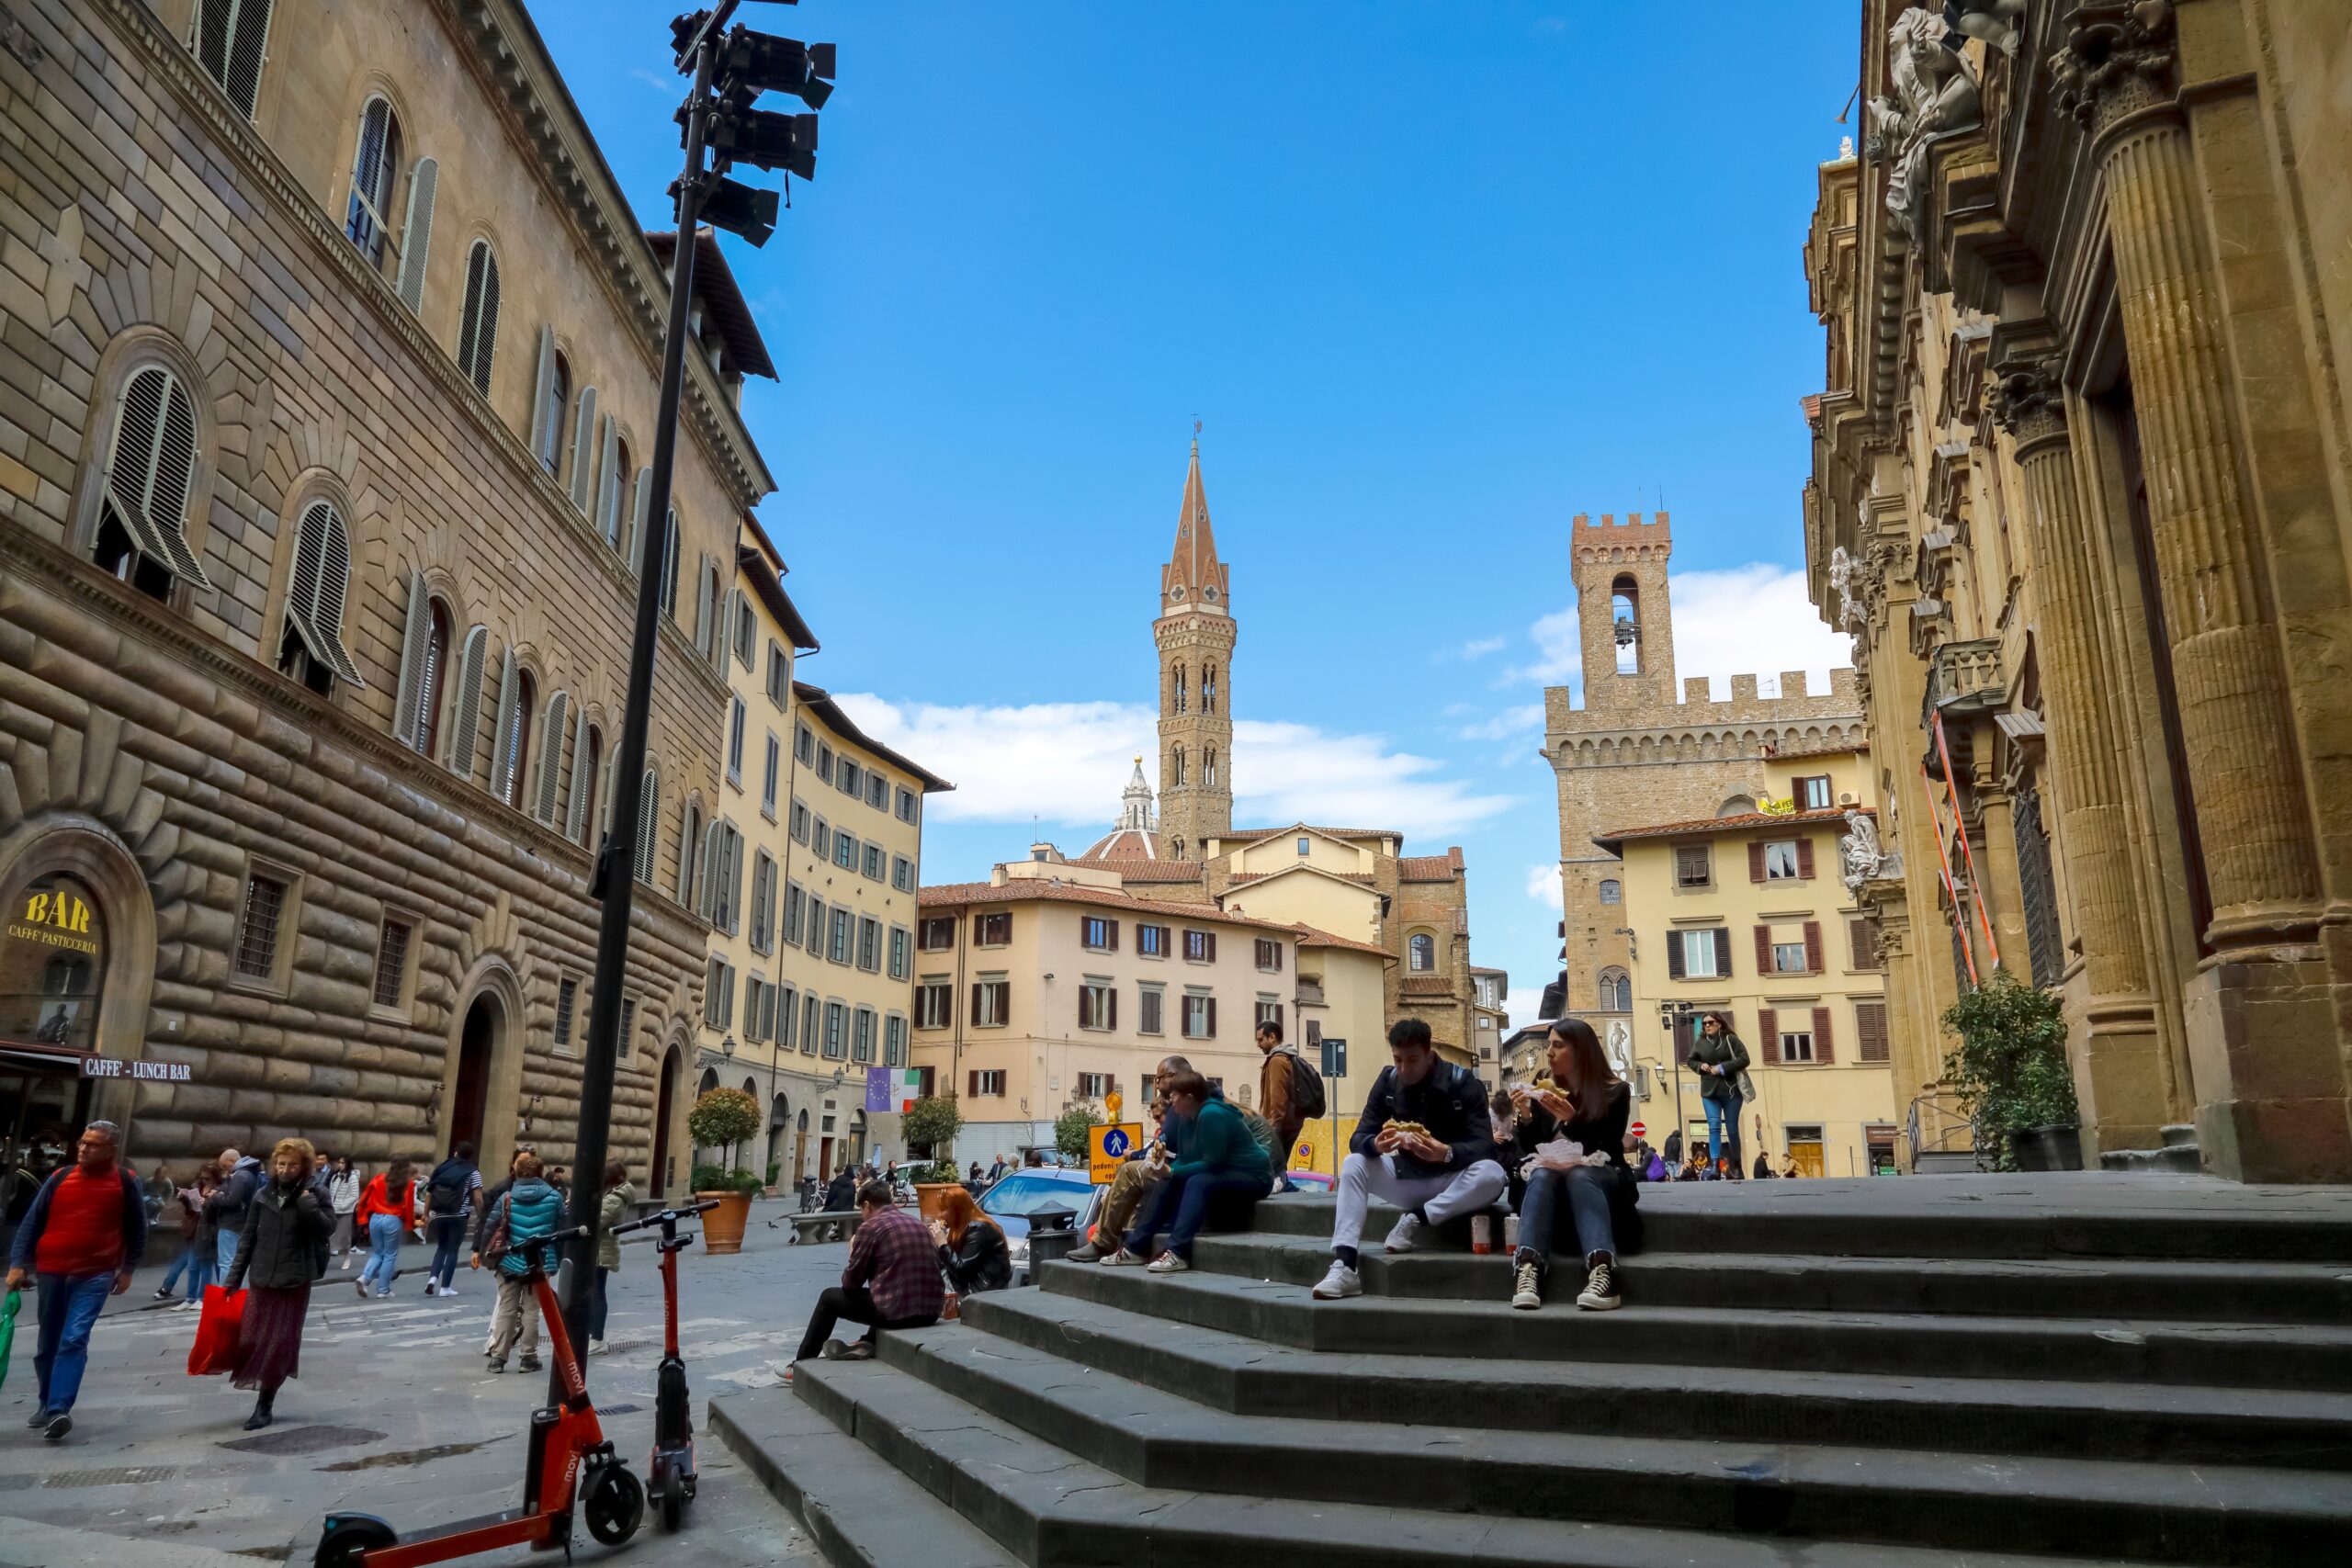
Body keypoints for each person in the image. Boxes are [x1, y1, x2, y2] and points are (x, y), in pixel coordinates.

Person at [1312, 1021, 1506, 1301]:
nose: (1404, 1069)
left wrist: (1447, 1152)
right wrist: (1374, 1144)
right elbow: (1359, 1136)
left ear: (1430, 1054)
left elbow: (1485, 1146)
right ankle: (1344, 1264)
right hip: (1408, 1178)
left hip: (1455, 1180)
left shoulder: (1463, 1083)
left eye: (1412, 1059)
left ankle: (1416, 1218)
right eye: (1397, 1060)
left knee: (1493, 1174)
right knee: (1354, 1162)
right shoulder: (1388, 1081)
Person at [5, 1121, 145, 1441]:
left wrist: (128, 1269)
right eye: (82, 1142)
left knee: (74, 1338)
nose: (83, 1148)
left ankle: (58, 1409)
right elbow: (31, 1223)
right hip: (51, 1270)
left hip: (95, 1274)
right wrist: (17, 1264)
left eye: (93, 1144)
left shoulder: (125, 1181)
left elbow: (138, 1228)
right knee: (47, 1343)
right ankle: (45, 1401)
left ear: (111, 1149)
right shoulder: (60, 1177)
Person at [1503, 1020, 1640, 1313]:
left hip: (1600, 1176)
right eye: (1549, 1044)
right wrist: (1526, 1115)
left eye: (1558, 1045)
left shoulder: (1615, 1092)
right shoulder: (1545, 1086)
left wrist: (1572, 1120)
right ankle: (1528, 1268)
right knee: (1541, 1172)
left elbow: (1608, 1146)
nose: (1549, 1052)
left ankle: (1603, 1270)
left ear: (1580, 1051)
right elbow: (1533, 1148)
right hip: (1550, 1177)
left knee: (1578, 1174)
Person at [1102, 1071, 1273, 1272]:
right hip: (1226, 1171)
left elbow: (1212, 1163)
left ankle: (1177, 1252)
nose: (1170, 1100)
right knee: (1168, 1180)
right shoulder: (1185, 1117)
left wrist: (1173, 1172)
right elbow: (1184, 1158)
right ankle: (1135, 1248)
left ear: (1189, 1098)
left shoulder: (1212, 1115)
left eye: (1175, 1095)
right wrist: (1167, 1171)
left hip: (1255, 1176)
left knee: (1197, 1182)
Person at [221, 1138, 332, 1429]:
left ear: (304, 1166)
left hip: (294, 1280)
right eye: (281, 1164)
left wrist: (308, 1205)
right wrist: (233, 1278)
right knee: (253, 1339)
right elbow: (247, 1238)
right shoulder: (262, 1193)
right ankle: (261, 1392)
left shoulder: (315, 1192)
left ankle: (264, 1405)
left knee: (278, 1343)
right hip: (262, 1277)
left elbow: (327, 1229)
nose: (285, 1170)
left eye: (292, 1164)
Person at [786, 1179, 943, 1376]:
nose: (862, 1216)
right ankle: (867, 1341)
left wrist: (853, 1253)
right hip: (931, 1311)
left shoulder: (871, 1228)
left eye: (861, 1210)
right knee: (889, 1289)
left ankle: (802, 1363)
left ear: (867, 1205)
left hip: (898, 1315)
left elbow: (851, 1285)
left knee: (829, 1298)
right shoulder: (917, 1224)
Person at [1069, 1055, 1193, 1264]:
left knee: (1129, 1172)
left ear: (1172, 1077)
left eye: (1159, 1078)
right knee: (1135, 1170)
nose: (1157, 1084)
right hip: (1181, 1169)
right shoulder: (1182, 1101)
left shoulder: (1182, 1103)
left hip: (1182, 1173)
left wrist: (1136, 1156)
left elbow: (1166, 1144)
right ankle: (1114, 1239)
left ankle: (1103, 1243)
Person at [481, 1153, 565, 1374]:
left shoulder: (507, 1197)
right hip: (538, 1262)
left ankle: (498, 1358)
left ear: (517, 1173)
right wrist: (554, 1263)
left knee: (506, 1310)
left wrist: (485, 1255)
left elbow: (491, 1226)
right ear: (540, 1173)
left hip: (509, 1260)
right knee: (531, 1311)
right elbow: (560, 1232)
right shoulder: (555, 1198)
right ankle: (528, 1357)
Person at [1685, 1011, 1752, 1172]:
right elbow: (1690, 1060)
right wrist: (1700, 1066)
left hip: (1731, 1091)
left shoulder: (1731, 1039)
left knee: (1732, 1129)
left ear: (1719, 1023)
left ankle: (1736, 1165)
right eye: (1704, 1023)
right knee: (1714, 1126)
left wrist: (1722, 1068)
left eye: (1710, 1022)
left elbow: (1745, 1059)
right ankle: (1715, 1166)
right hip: (1709, 1092)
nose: (1707, 1025)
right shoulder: (1700, 1042)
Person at [1254, 1017, 1315, 1189]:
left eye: (1260, 1040)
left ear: (1272, 1037)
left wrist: (1271, 1131)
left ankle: (1293, 1194)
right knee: (1278, 1170)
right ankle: (1292, 1192)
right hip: (1291, 1123)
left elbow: (1278, 1101)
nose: (1258, 1044)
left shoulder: (1277, 1062)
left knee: (1271, 1172)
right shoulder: (1288, 1058)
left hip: (1279, 1126)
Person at [421, 1141, 481, 1299]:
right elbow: (477, 1197)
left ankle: (432, 1279)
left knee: (441, 1247)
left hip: (439, 1213)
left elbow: (429, 1193)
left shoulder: (441, 1168)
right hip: (458, 1215)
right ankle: (445, 1287)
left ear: (455, 1153)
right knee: (453, 1250)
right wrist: (482, 1215)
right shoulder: (472, 1171)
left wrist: (426, 1214)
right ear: (469, 1156)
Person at [589, 1159, 635, 1355]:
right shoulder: (613, 1194)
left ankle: (597, 1338)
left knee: (597, 1293)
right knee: (594, 1293)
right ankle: (593, 1334)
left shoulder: (615, 1198)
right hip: (598, 1249)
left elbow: (595, 1221)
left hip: (601, 1251)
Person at [153, 1163, 216, 1303]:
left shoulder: (218, 1189)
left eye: (208, 1178)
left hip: (207, 1230)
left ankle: (200, 1296)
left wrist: (209, 1202)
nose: (204, 1181)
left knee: (201, 1263)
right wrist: (184, 1198)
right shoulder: (197, 1186)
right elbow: (190, 1210)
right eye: (202, 1178)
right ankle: (189, 1297)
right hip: (193, 1228)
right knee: (191, 1264)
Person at [930, 1187, 1011, 1296]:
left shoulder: (979, 1229)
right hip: (969, 1286)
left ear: (957, 1210)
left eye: (944, 1210)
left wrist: (943, 1244)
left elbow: (961, 1271)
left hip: (982, 1290)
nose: (939, 1215)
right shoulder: (960, 1228)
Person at [353, 1158, 414, 1299]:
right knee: (389, 1255)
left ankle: (365, 1278)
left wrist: (363, 1217)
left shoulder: (379, 1178)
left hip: (375, 1217)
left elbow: (365, 1199)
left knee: (377, 1253)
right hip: (393, 1219)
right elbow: (409, 1206)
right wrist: (409, 1224)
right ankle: (383, 1289)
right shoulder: (408, 1184)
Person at [207, 1146, 263, 1274]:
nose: (224, 1168)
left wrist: (215, 1196)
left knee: (226, 1262)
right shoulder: (251, 1173)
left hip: (231, 1224)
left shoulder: (240, 1175)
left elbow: (231, 1200)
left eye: (224, 1165)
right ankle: (233, 1293)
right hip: (242, 1221)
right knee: (235, 1262)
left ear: (232, 1160)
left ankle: (226, 1294)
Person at [325, 1156, 362, 1268]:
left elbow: (354, 1195)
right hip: (334, 1209)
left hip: (345, 1211)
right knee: (330, 1234)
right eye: (339, 1163)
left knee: (344, 1236)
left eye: (342, 1163)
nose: (340, 1165)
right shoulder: (335, 1176)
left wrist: (343, 1205)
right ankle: (326, 1257)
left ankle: (347, 1258)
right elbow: (332, 1192)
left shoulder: (352, 1177)